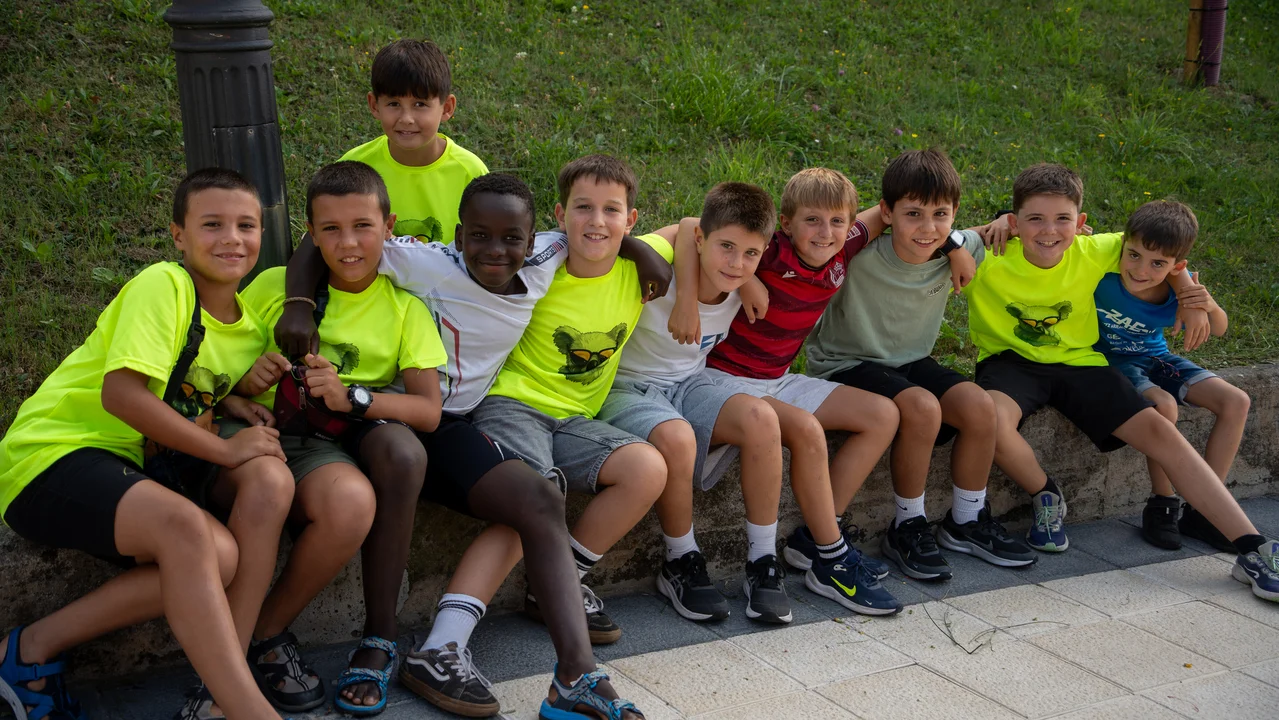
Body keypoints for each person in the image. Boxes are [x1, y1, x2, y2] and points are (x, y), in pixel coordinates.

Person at [277, 172, 662, 718]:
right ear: (459, 237)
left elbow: (598, 231)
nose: (495, 250)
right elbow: (325, 240)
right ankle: (380, 640)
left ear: (533, 242)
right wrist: (297, 303)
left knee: (540, 496)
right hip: (383, 410)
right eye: (479, 236)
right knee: (403, 455)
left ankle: (576, 677)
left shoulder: (545, 257)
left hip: (450, 422)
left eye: (511, 239)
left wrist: (643, 253)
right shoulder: (426, 262)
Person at [0, 168, 285, 720]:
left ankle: (29, 648)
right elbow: (122, 395)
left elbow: (184, 380)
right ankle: (247, 711)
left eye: (246, 225)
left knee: (221, 556)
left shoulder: (250, 331)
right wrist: (226, 451)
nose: (231, 238)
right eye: (212, 224)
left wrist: (230, 399)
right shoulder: (164, 284)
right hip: (49, 456)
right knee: (186, 528)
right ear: (179, 235)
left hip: (122, 468)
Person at [967, 163, 1278, 602]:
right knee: (990, 420)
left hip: (1081, 362)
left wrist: (1190, 296)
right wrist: (986, 228)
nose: (1050, 231)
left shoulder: (1096, 248)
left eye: (1062, 219)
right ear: (1015, 222)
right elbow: (933, 237)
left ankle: (1253, 547)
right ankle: (1045, 493)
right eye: (1035, 218)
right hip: (1008, 363)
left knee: (1161, 432)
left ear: (1080, 222)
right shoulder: (988, 253)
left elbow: (1160, 252)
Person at [671, 168, 967, 614]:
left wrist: (955, 246)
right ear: (787, 223)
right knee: (807, 430)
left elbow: (895, 216)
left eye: (836, 222)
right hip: (724, 380)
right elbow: (693, 226)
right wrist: (747, 279)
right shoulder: (769, 251)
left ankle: (814, 540)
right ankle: (830, 559)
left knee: (883, 415)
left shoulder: (845, 245)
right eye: (812, 220)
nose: (825, 233)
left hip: (779, 378)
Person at [229, 161, 448, 715]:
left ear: (389, 227)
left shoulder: (403, 307)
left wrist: (353, 396)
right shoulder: (272, 289)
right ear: (310, 233)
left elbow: (427, 410)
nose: (348, 244)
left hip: (321, 445)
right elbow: (213, 366)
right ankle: (229, 654)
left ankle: (265, 633)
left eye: (362, 227)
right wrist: (244, 382)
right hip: (249, 434)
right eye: (330, 229)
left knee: (356, 499)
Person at [805, 149, 1035, 581]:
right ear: (887, 213)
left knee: (979, 406)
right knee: (924, 407)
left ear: (955, 213)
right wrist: (950, 243)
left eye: (940, 215)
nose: (927, 228)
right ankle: (908, 524)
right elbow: (849, 227)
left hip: (910, 360)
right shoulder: (859, 252)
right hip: (847, 362)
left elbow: (991, 231)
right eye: (913, 214)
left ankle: (966, 520)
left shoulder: (959, 247)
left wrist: (965, 240)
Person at [597, 182, 792, 624]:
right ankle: (681, 559)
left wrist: (750, 279)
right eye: (726, 248)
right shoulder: (667, 260)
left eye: (750, 254)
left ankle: (763, 562)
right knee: (677, 437)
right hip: (626, 387)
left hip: (688, 383)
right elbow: (686, 225)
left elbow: (728, 247)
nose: (736, 263)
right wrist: (684, 299)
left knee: (762, 419)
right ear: (703, 241)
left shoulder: (740, 279)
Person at [1092, 200, 1251, 552]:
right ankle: (1162, 503)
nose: (1141, 270)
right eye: (1134, 255)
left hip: (1155, 357)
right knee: (1164, 405)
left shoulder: (1181, 288)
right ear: (1123, 247)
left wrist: (1204, 304)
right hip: (1110, 360)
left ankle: (1205, 512)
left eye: (1157, 264)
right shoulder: (1104, 274)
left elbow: (1220, 328)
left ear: (1176, 266)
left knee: (1236, 401)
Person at [341, 39, 486, 244]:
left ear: (446, 108)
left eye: (420, 104)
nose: (406, 118)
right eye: (394, 104)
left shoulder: (470, 173)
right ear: (374, 105)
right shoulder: (353, 168)